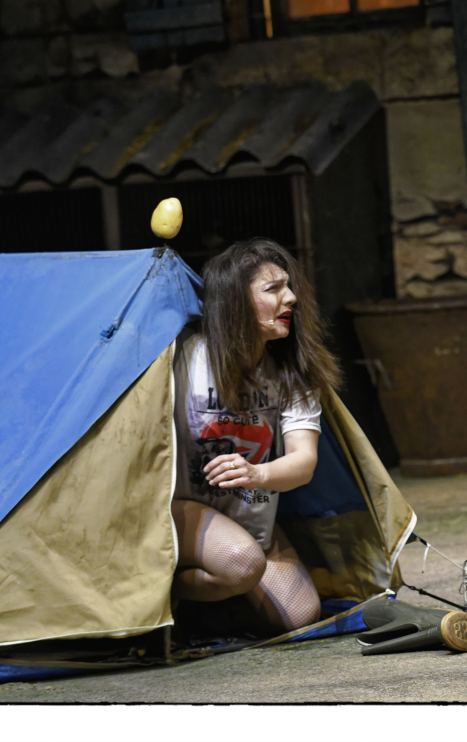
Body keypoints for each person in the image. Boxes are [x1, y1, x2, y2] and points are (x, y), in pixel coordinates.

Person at [171, 238, 339, 636]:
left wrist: (256, 474)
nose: (291, 298)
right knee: (241, 563)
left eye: (289, 287)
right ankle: (160, 598)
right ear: (235, 300)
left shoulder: (291, 374)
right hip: (180, 508)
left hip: (247, 511)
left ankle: (210, 606)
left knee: (301, 614)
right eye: (273, 288)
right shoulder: (183, 358)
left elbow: (303, 462)